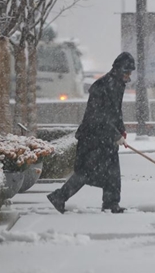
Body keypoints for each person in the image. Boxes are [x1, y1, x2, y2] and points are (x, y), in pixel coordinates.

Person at [47, 52, 135, 214]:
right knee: (85, 172)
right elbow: (98, 116)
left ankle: (111, 203)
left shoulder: (117, 84)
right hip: (92, 137)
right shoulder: (102, 86)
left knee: (112, 171)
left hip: (106, 137)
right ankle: (59, 196)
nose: (128, 76)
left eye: (130, 73)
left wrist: (121, 130)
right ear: (118, 70)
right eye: (127, 72)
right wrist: (115, 135)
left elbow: (116, 112)